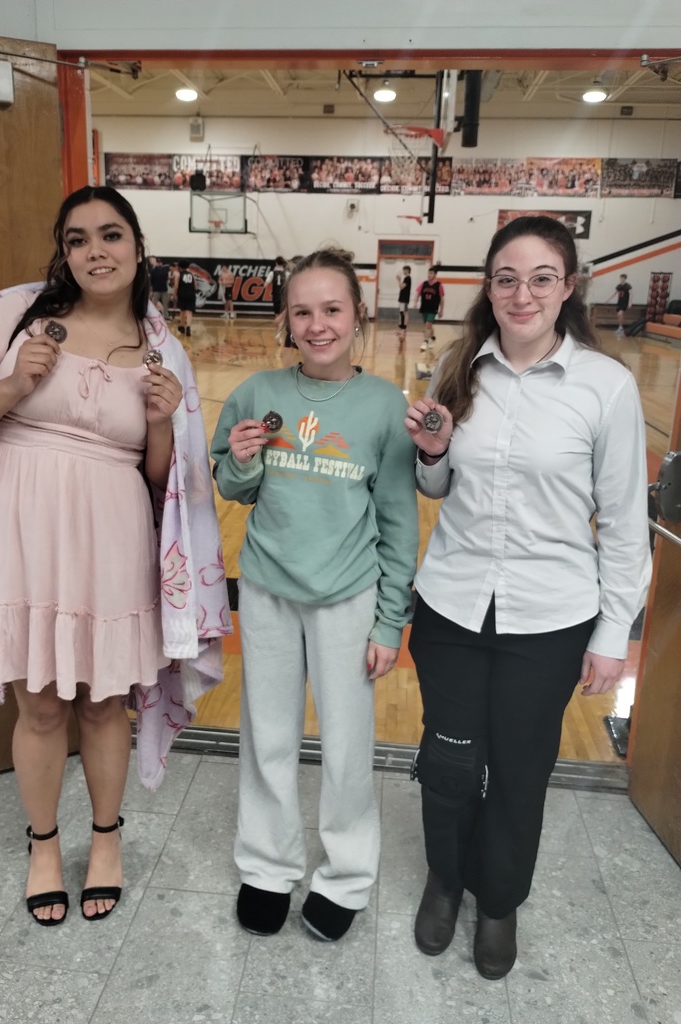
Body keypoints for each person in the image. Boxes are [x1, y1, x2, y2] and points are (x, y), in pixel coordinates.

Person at [0, 186, 224, 928]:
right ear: (63, 251)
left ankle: (108, 841)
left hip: (111, 529)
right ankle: (45, 848)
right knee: (42, 703)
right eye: (78, 238)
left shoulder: (162, 350)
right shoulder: (11, 315)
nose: (96, 251)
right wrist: (16, 382)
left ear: (137, 247)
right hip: (18, 524)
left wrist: (159, 420)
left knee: (102, 702)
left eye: (111, 235)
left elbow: (162, 481)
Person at [404, 215, 651, 979]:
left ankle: (499, 899)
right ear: (488, 286)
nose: (522, 293)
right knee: (447, 762)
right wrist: (434, 453)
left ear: (567, 286)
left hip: (549, 617)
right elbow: (434, 484)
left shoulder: (604, 386)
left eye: (541, 277)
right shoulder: (458, 366)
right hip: (451, 604)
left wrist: (613, 631)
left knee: (517, 765)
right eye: (506, 277)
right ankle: (445, 878)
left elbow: (621, 517)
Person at [211, 248, 418, 943]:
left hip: (349, 599)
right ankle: (267, 866)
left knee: (345, 747)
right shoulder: (254, 393)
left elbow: (396, 516)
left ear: (356, 317)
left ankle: (346, 876)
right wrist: (239, 461)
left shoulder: (384, 405)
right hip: (269, 591)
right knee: (266, 737)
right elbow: (233, 486)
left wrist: (391, 620)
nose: (317, 324)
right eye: (303, 311)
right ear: (285, 320)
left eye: (332, 309)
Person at [416, 266, 445, 350]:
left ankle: (425, 342)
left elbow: (442, 299)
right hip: (424, 307)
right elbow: (417, 293)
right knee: (428, 326)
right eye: (428, 273)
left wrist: (441, 311)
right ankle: (432, 338)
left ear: (435, 275)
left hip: (433, 308)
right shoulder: (424, 284)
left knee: (427, 326)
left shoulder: (439, 285)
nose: (429, 275)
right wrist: (415, 302)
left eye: (431, 273)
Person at [175, 259, 197, 337]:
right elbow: (195, 286)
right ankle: (188, 327)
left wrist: (175, 295)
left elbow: (176, 286)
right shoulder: (192, 274)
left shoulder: (178, 274)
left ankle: (182, 326)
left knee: (182, 310)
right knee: (189, 311)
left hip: (182, 294)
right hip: (191, 294)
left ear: (180, 267)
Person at [396, 264, 412, 337]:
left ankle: (403, 328)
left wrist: (398, 280)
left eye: (405, 270)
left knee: (404, 313)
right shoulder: (405, 278)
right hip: (402, 298)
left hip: (405, 299)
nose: (404, 271)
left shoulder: (408, 278)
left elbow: (401, 286)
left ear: (408, 271)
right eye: (403, 270)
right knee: (401, 312)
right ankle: (401, 327)